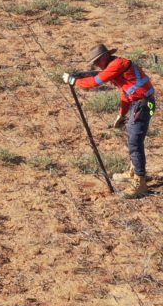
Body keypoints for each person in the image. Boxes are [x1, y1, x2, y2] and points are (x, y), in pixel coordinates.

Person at [63, 43, 157, 197]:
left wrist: (74, 81)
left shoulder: (117, 65)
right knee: (132, 138)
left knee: (135, 141)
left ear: (105, 56)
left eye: (96, 61)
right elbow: (126, 91)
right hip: (139, 104)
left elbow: (95, 82)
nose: (96, 65)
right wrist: (122, 113)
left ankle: (140, 183)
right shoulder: (117, 66)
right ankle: (133, 172)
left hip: (144, 105)